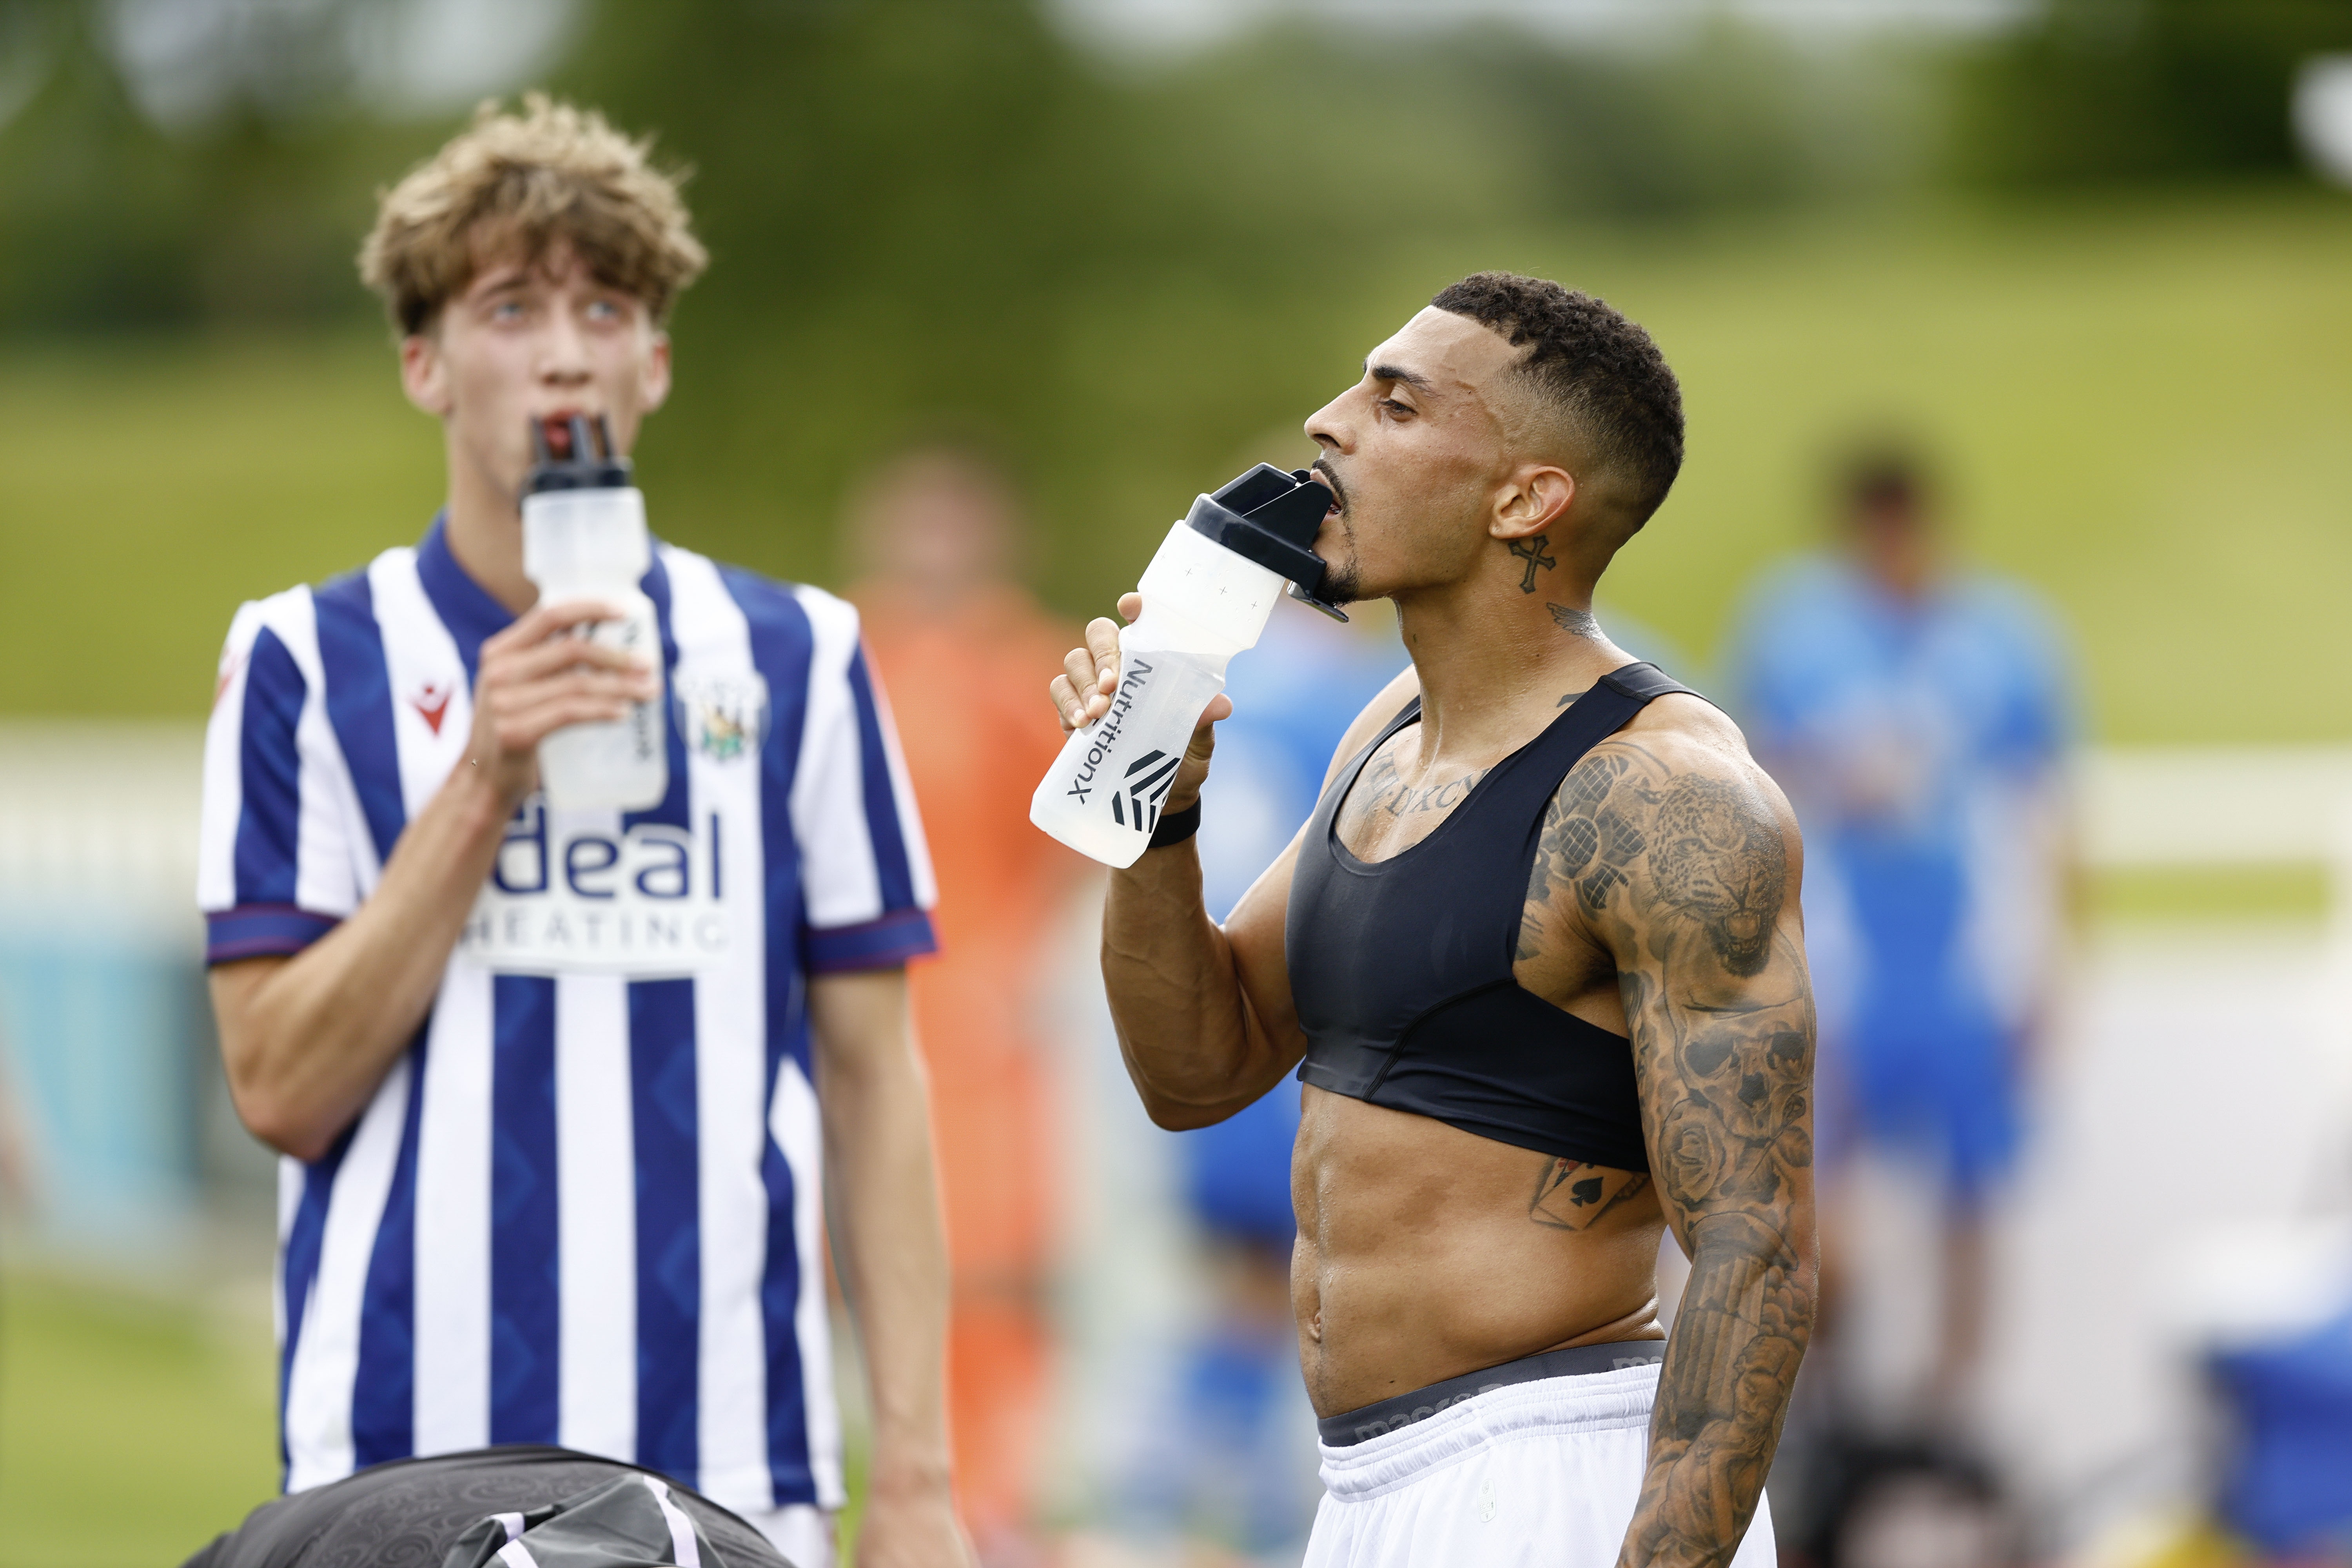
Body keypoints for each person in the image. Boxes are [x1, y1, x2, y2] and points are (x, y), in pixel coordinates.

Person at [196, 97, 969, 1568]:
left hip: (734, 1469)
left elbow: (878, 1080)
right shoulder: (306, 654)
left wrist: (920, 1481)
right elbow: (278, 1087)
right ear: (425, 363)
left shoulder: (796, 655)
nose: (563, 349)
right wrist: (484, 781)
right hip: (395, 1464)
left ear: (653, 363)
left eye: (604, 306)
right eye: (508, 308)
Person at [1047, 272, 1818, 1567]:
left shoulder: (1664, 796)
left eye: (1394, 406)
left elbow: (1758, 1255)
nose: (1328, 422)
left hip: (1554, 1479)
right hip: (1366, 1486)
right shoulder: (1386, 734)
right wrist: (1155, 812)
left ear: (1524, 500)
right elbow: (1197, 1073)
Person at [1722, 447, 2074, 1434]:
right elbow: (1737, 766)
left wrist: (2055, 972)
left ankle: (1955, 1403)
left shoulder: (2004, 634)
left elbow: (2046, 804)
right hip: (1840, 956)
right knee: (1820, 1194)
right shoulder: (1796, 625)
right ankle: (1832, 1401)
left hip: (1965, 961)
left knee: (1972, 1193)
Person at [842, 446, 1082, 1561]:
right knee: (870, 1245)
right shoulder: (848, 655)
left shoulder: (1019, 660)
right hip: (868, 1002)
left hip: (976, 1019)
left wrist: (1022, 960)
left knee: (986, 1257)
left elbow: (1081, 817)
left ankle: (992, 1501)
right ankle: (902, 1477)